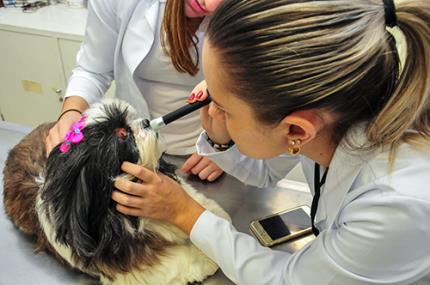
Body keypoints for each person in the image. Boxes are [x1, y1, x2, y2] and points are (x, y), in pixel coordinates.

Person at [112, 0, 430, 284]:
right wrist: (219, 140)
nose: (210, 107)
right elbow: (265, 172)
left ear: (296, 130)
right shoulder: (334, 109)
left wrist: (184, 212)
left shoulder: (392, 205)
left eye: (223, 106)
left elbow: (285, 279)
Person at [45, 0, 225, 181]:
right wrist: (71, 111)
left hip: (207, 158)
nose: (209, 5)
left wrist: (227, 147)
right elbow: (93, 70)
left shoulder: (246, 13)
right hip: (132, 152)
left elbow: (250, 92)